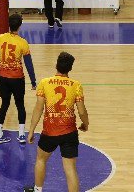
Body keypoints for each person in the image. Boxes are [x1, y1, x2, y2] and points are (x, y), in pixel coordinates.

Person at [28, 52, 89, 192]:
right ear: (70, 68)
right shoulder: (76, 85)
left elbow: (38, 108)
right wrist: (86, 124)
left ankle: (37, 190)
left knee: (41, 159)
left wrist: (31, 130)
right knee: (70, 169)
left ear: (56, 65)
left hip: (49, 132)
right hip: (69, 132)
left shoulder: (44, 83)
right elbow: (81, 111)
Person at [0, 13, 36, 145]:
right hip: (17, 79)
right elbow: (29, 64)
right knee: (20, 105)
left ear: (9, 24)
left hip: (4, 78)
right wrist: (33, 81)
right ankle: (21, 134)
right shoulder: (23, 43)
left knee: (4, 104)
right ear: (19, 26)